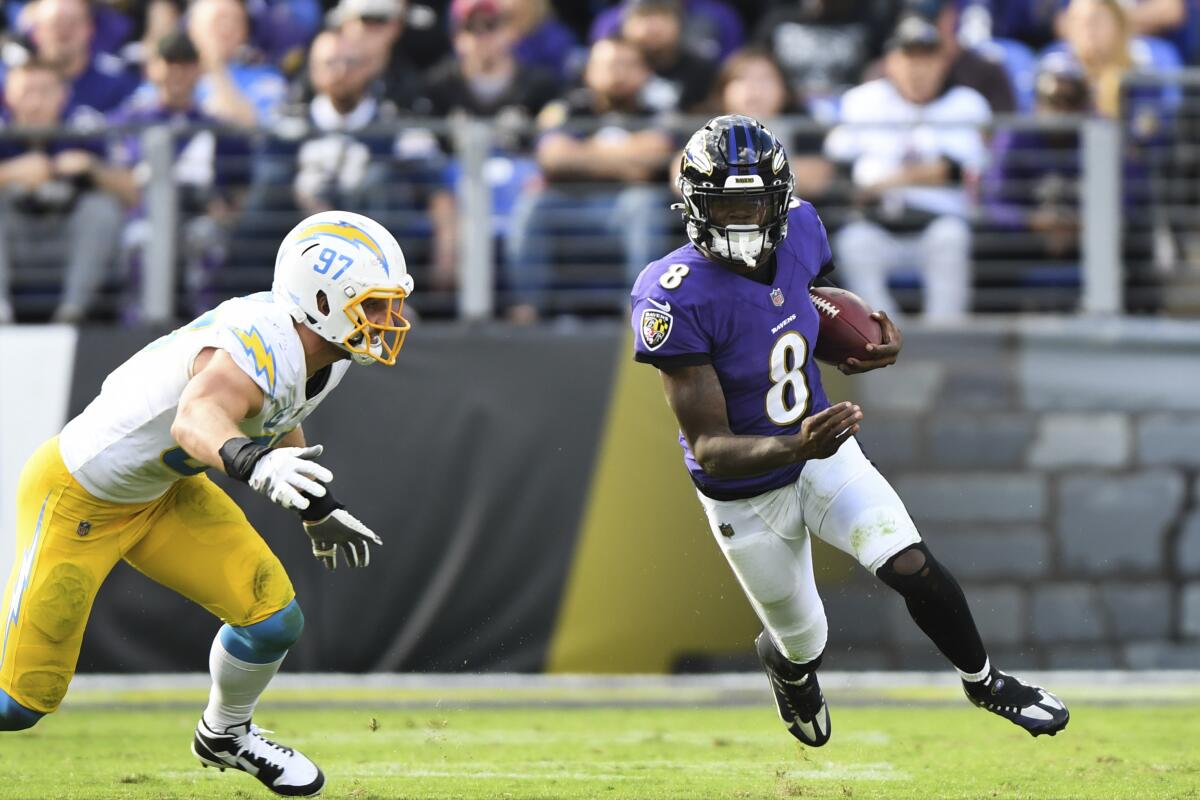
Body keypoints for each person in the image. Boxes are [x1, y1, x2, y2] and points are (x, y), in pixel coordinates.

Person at [630, 113, 1070, 748]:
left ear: (780, 201)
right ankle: (789, 671)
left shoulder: (803, 228)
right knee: (806, 638)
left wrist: (855, 344)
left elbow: (803, 299)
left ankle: (987, 682)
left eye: (756, 204)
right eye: (728, 206)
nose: (745, 222)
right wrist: (795, 444)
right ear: (696, 206)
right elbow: (711, 450)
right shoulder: (673, 294)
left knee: (909, 562)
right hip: (747, 491)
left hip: (822, 456)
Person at [0, 210, 413, 798]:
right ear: (323, 299)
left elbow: (279, 416)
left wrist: (316, 508)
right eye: (374, 304)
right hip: (79, 498)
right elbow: (196, 420)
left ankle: (226, 734)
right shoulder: (260, 338)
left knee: (272, 620)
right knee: (17, 706)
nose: (389, 319)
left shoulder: (326, 352)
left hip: (164, 493)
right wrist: (254, 464)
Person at [824, 15, 991, 321]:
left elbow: (953, 170)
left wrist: (881, 183)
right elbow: (837, 163)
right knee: (853, 241)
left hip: (937, 224)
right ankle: (886, 342)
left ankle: (944, 341)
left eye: (927, 58)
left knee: (952, 237)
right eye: (908, 57)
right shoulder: (864, 100)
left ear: (942, 63)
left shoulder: (966, 103)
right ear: (890, 62)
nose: (917, 68)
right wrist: (859, 191)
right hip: (879, 224)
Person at [504, 35, 676, 319]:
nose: (616, 73)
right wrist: (625, 162)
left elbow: (654, 154)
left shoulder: (657, 110)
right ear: (589, 72)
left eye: (626, 65)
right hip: (572, 205)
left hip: (626, 207)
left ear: (645, 72)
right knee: (533, 204)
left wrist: (584, 154)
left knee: (644, 204)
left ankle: (640, 309)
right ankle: (528, 308)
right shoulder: (570, 107)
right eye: (607, 65)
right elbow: (553, 156)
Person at [109, 30, 252, 318]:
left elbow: (242, 184)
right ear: (153, 67)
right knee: (139, 242)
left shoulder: (216, 127)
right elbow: (113, 174)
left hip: (200, 217)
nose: (176, 72)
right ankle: (134, 325)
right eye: (169, 62)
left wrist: (227, 209)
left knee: (206, 239)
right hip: (144, 217)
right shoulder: (129, 122)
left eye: (185, 64)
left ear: (198, 69)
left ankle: (204, 323)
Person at [0, 59, 130, 323]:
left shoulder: (83, 130)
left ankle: (72, 314)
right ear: (8, 96)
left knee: (100, 208)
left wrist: (92, 168)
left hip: (70, 243)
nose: (35, 102)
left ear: (63, 95)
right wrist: (11, 172)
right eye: (26, 92)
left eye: (45, 92)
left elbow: (133, 193)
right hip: (14, 242)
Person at [23, 0, 139, 125]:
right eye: (55, 23)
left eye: (72, 23)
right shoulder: (17, 81)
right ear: (36, 31)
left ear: (90, 29)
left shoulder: (117, 82)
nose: (64, 31)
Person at [186, 0, 288, 127]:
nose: (227, 28)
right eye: (219, 20)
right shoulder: (167, 72)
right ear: (193, 28)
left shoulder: (267, 79)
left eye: (236, 21)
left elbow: (251, 128)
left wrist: (217, 69)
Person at [619, 0, 718, 114]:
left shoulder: (701, 69)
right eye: (644, 16)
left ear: (679, 23)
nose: (653, 28)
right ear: (626, 25)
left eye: (663, 17)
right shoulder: (613, 63)